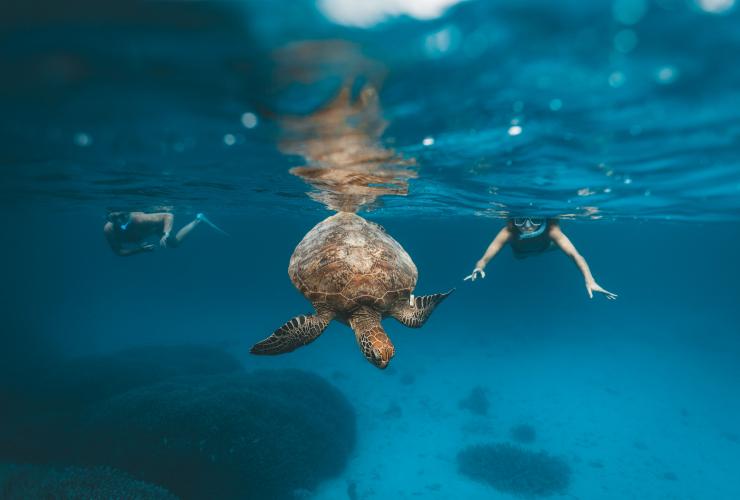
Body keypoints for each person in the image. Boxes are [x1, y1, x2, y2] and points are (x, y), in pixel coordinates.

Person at [464, 217, 617, 299]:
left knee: (561, 245)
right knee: (520, 257)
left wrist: (590, 280)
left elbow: (575, 255)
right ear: (513, 221)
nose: (528, 226)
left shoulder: (552, 231)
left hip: (545, 247)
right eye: (521, 220)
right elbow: (484, 258)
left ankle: (558, 241)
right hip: (520, 254)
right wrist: (479, 267)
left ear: (543, 219)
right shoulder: (507, 233)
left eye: (535, 219)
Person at [104, 211, 227, 257]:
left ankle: (198, 220)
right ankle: (198, 220)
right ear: (109, 218)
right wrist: (139, 250)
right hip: (139, 237)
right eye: (114, 217)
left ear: (127, 214)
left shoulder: (140, 219)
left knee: (175, 244)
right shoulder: (108, 230)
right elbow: (118, 252)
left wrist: (166, 233)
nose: (119, 220)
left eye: (122, 216)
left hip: (155, 228)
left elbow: (168, 215)